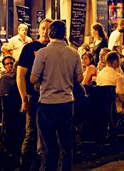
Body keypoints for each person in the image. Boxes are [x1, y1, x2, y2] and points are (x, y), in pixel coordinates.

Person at [30, 20, 83, 171]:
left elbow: (33, 78)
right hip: (66, 102)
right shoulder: (73, 53)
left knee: (48, 145)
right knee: (66, 144)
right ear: (64, 34)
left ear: (50, 33)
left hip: (47, 104)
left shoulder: (42, 53)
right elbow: (79, 78)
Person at [17, 18, 52, 171]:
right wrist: (24, 98)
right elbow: (20, 75)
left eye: (48, 29)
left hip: (51, 98)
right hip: (33, 96)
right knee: (31, 134)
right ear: (39, 30)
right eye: (43, 28)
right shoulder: (29, 48)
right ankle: (25, 166)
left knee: (48, 134)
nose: (45, 31)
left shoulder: (55, 49)